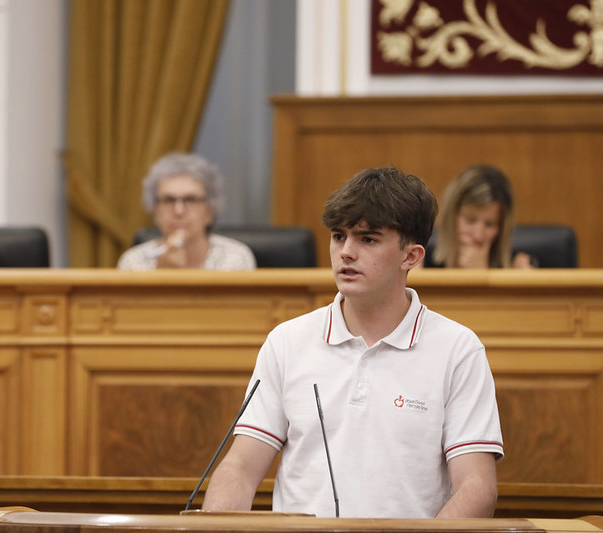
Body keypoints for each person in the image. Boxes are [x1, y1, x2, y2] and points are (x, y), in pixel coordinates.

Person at [201, 167, 503, 518]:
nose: (346, 252)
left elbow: (477, 487)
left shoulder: (458, 349)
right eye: (338, 236)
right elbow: (240, 468)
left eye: (367, 239)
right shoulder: (286, 341)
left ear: (411, 256)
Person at [116, 152, 256, 270]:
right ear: (155, 211)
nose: (179, 211)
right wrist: (162, 274)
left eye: (191, 200)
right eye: (168, 200)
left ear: (209, 211)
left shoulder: (235, 257)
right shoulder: (133, 262)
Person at [426, 164, 532, 268]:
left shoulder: (518, 267)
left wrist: (481, 272)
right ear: (451, 217)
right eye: (470, 220)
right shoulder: (422, 259)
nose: (478, 235)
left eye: (489, 224)